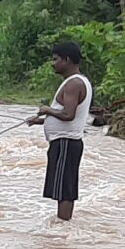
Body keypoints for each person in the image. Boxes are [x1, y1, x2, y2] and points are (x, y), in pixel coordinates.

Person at [26, 39, 91, 221]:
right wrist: (40, 121)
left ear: (67, 60)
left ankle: (63, 227)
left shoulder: (73, 84)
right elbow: (67, 115)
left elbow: (68, 114)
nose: (52, 63)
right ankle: (62, 231)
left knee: (65, 190)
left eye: (55, 59)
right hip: (66, 142)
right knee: (63, 187)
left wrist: (47, 110)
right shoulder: (76, 82)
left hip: (66, 142)